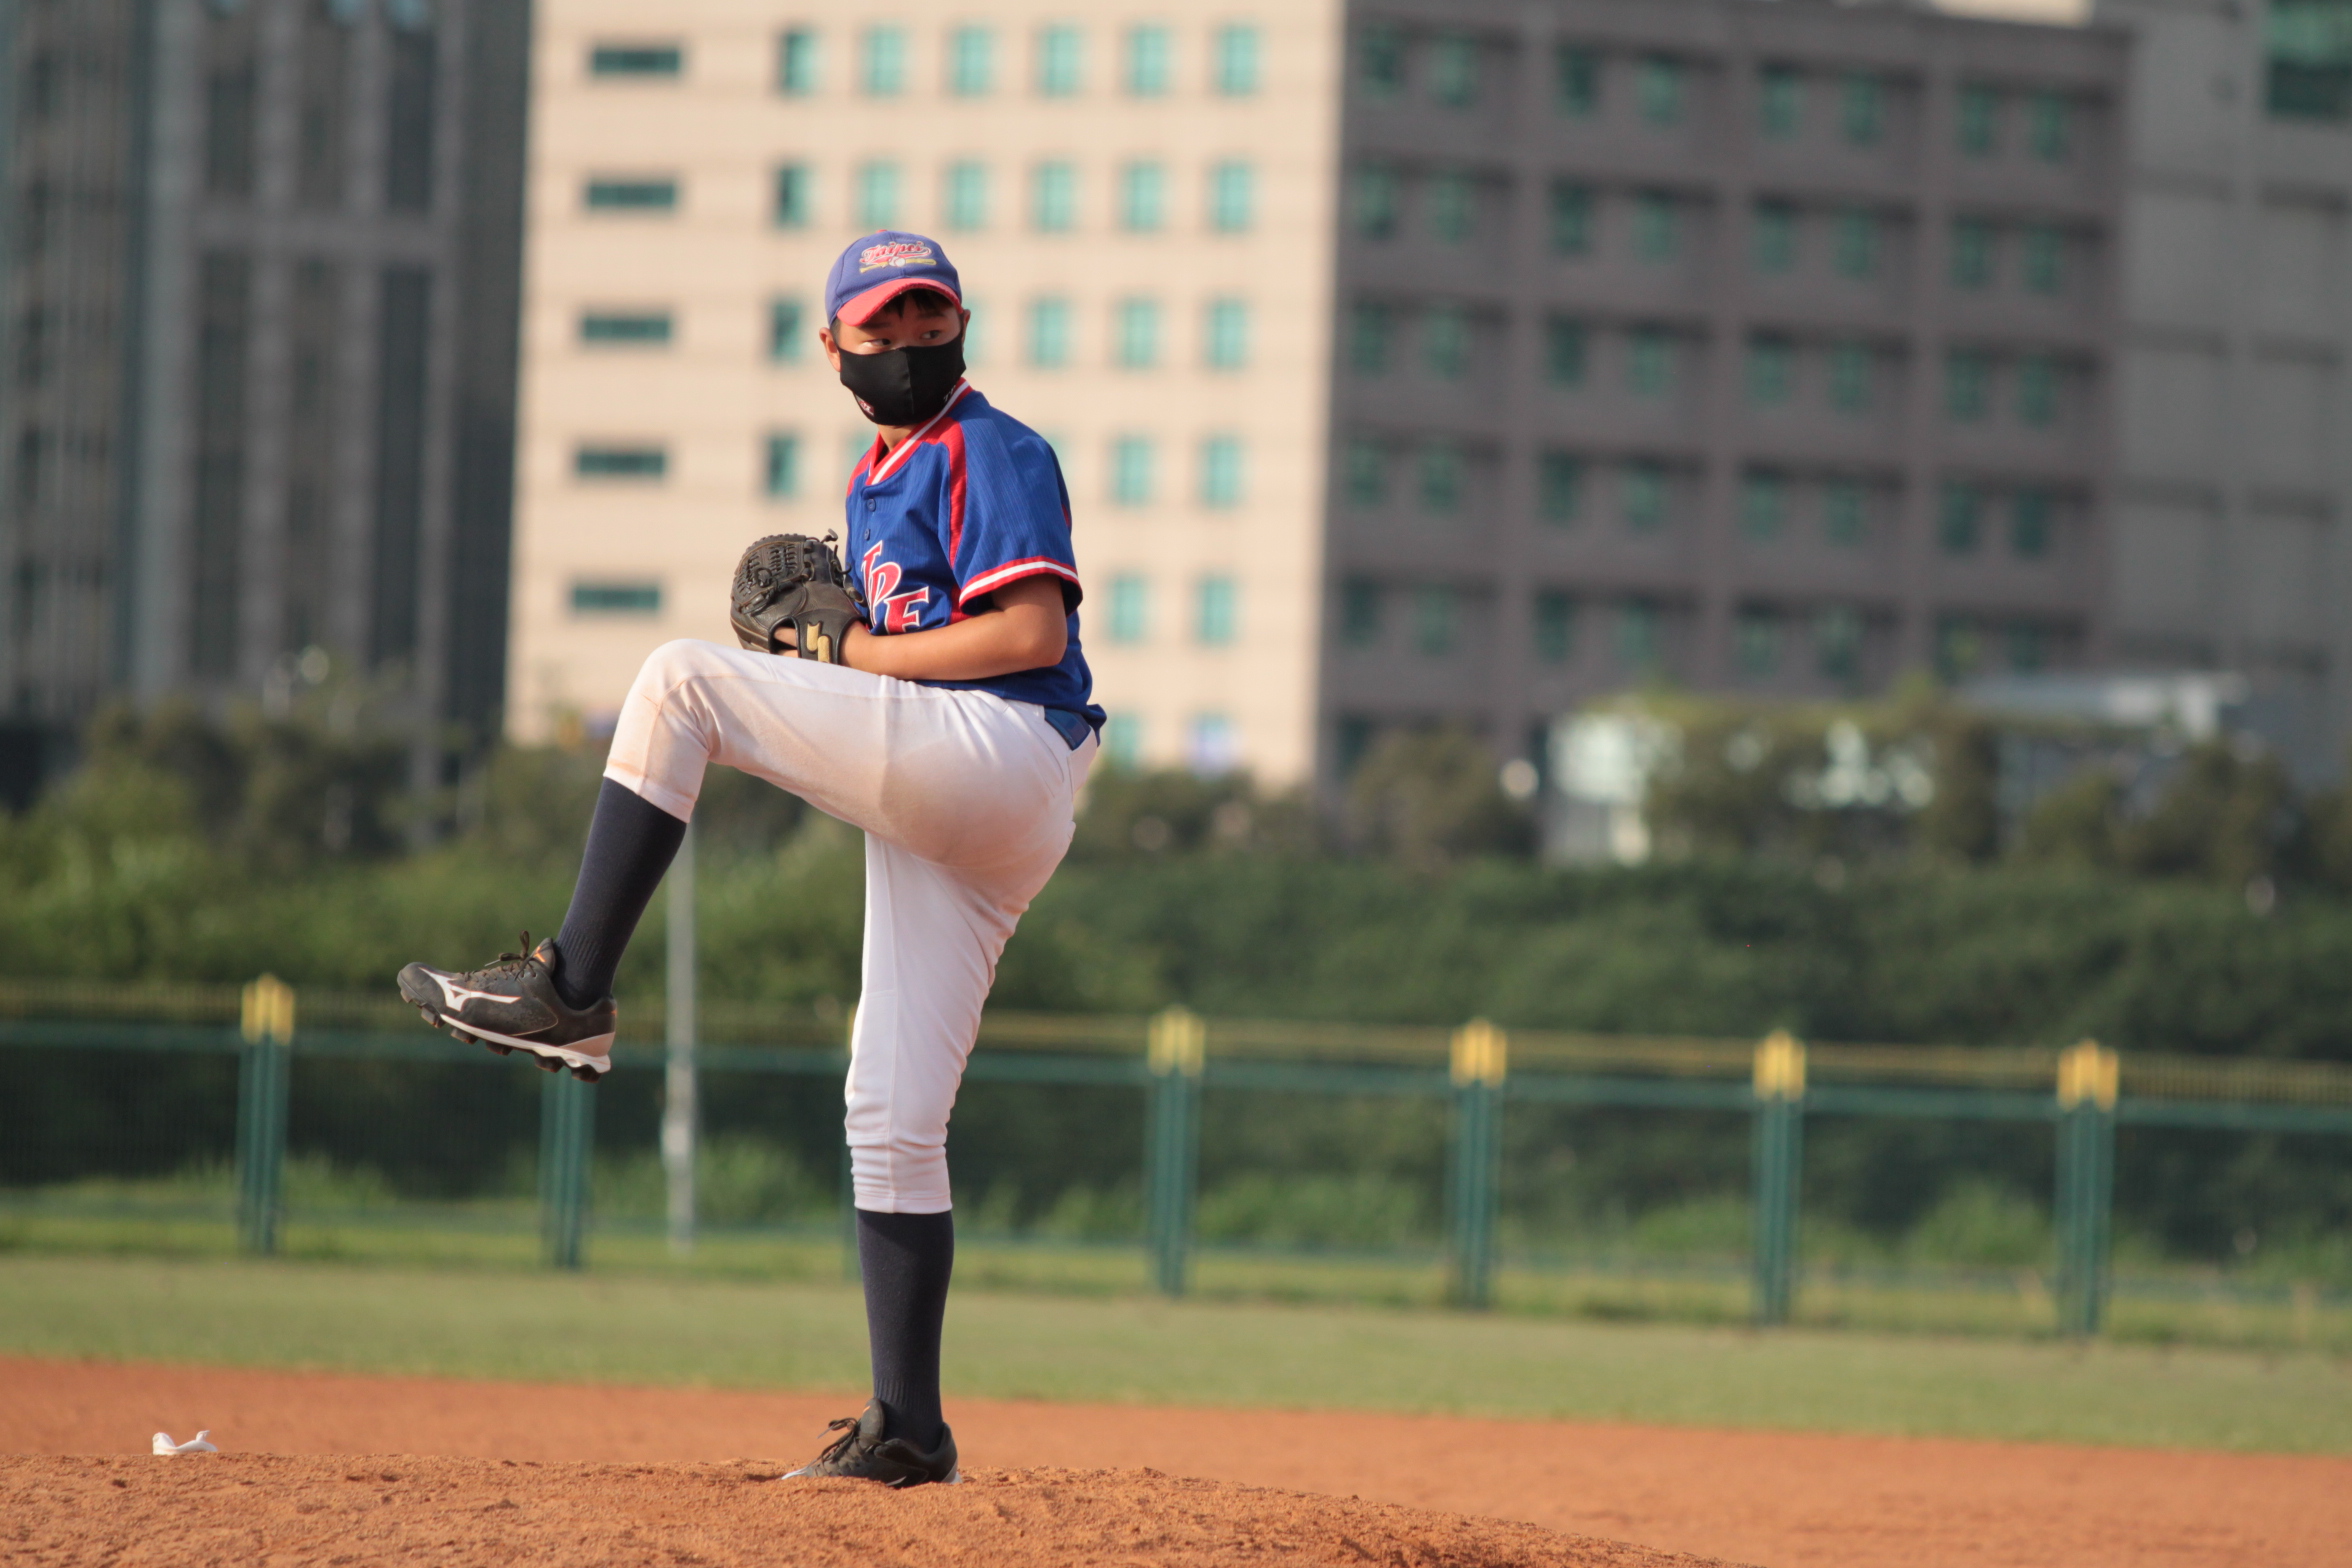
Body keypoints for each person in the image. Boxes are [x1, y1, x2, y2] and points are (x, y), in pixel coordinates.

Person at [397, 230, 1103, 1488]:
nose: (908, 341)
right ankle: (909, 1429)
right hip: (959, 796)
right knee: (889, 1114)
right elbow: (880, 665)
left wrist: (844, 654)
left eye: (930, 318)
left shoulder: (987, 446)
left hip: (1004, 747)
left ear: (961, 325)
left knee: (680, 682)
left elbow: (1030, 629)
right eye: (882, 325)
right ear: (833, 346)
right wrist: (840, 657)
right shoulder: (872, 482)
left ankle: (570, 985)